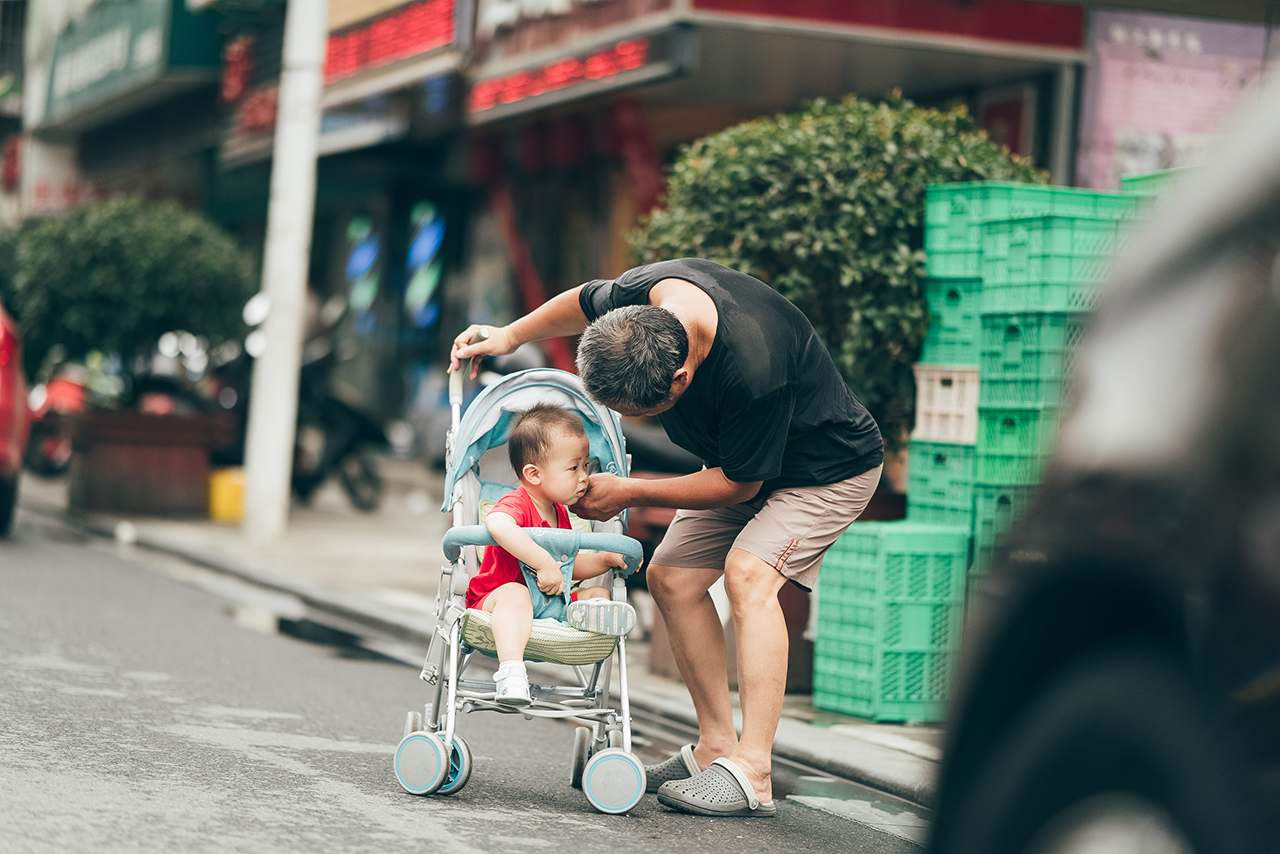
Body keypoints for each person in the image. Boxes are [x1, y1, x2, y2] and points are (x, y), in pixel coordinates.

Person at [452, 258, 884, 817]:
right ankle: (714, 748)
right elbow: (583, 297)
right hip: (735, 462)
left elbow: (738, 484)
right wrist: (508, 335)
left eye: (638, 413)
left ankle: (753, 771)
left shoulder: (755, 367)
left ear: (681, 379)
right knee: (671, 577)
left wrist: (629, 491)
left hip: (823, 470)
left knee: (749, 577)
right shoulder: (641, 304)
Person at [466, 403, 636, 706]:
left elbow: (567, 566)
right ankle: (511, 672)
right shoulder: (517, 504)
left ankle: (593, 625)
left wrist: (602, 560)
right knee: (516, 593)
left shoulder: (561, 513)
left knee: (597, 591)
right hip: (496, 601)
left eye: (586, 466)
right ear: (533, 474)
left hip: (553, 604)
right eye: (574, 468)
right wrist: (543, 563)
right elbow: (496, 523)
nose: (584, 476)